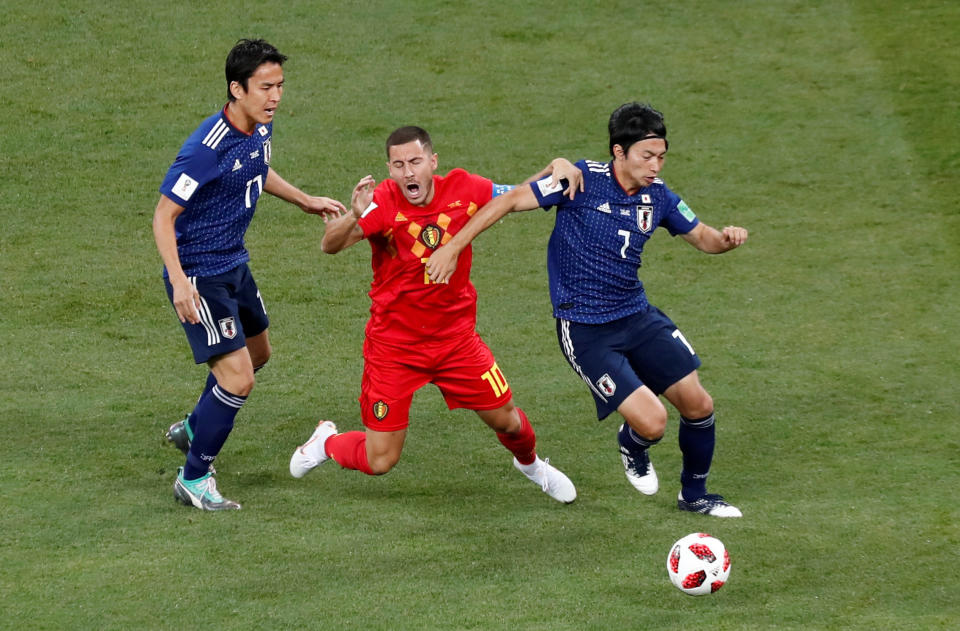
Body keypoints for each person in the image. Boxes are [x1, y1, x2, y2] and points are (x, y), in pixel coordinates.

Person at [425, 103, 748, 517]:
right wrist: (452, 246)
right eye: (646, 156)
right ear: (619, 152)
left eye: (661, 156)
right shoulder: (578, 181)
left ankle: (695, 495)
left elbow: (705, 238)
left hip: (637, 315)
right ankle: (633, 444)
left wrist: (728, 238)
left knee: (699, 405)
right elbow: (507, 203)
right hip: (586, 328)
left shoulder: (660, 196)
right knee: (652, 424)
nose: (655, 165)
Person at [288, 126, 577, 503]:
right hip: (395, 348)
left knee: (508, 419)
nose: (408, 173)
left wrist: (555, 166)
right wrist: (353, 216)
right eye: (398, 165)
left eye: (415, 162)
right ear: (389, 169)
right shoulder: (383, 202)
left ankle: (532, 466)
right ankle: (327, 442)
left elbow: (518, 195)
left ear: (432, 162)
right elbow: (329, 245)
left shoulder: (465, 189)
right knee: (380, 460)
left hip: (456, 342)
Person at [152, 39, 345, 511]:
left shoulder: (259, 127)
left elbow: (256, 168)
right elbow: (162, 216)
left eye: (279, 86)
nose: (275, 97)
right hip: (199, 272)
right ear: (236, 89)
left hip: (233, 263)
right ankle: (194, 478)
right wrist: (179, 281)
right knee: (238, 380)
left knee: (259, 352)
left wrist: (304, 199)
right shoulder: (205, 149)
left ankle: (197, 425)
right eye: (265, 87)